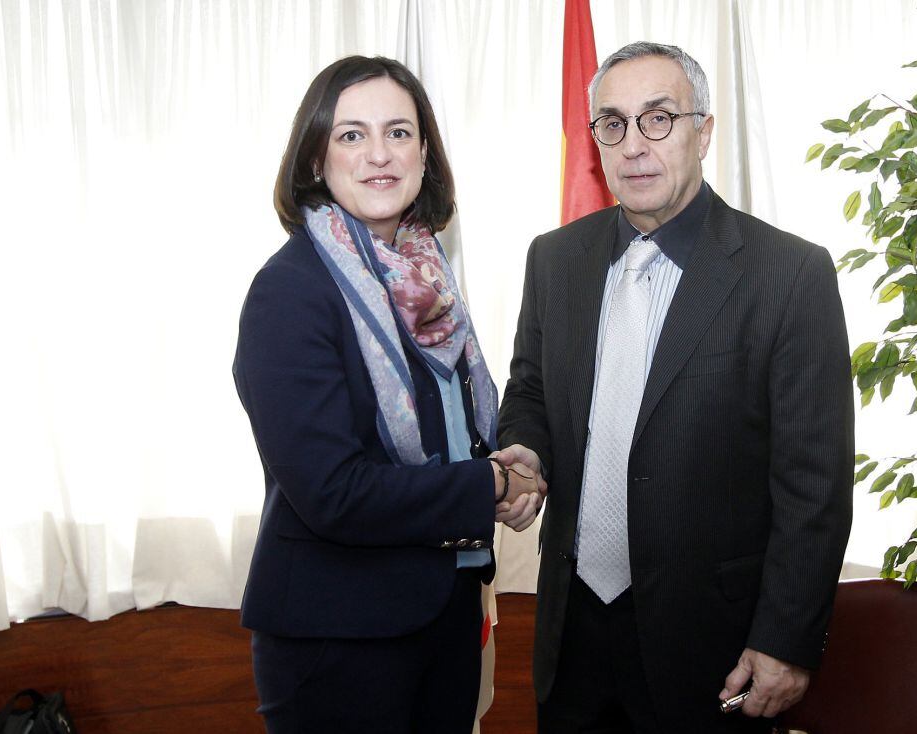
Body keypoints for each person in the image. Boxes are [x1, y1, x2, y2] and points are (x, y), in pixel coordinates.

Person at [496, 42, 853, 733]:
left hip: (712, 648)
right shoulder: (555, 259)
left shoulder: (789, 275)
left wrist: (785, 640)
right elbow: (531, 393)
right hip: (571, 637)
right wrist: (527, 452)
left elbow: (815, 485)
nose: (633, 145)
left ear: (704, 131)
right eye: (613, 123)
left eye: (658, 119)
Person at [233, 55, 543, 733]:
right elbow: (333, 491)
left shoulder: (424, 279)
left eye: (399, 133)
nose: (379, 154)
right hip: (338, 638)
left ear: (425, 154)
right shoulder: (290, 292)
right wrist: (487, 487)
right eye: (351, 135)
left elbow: (453, 432)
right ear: (316, 157)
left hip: (446, 613)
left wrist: (511, 467)